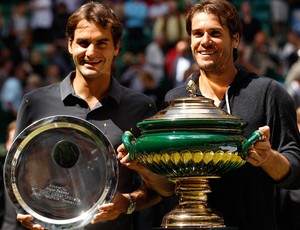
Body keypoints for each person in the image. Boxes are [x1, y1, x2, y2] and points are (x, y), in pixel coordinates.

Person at [13, 2, 174, 230]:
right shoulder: (35, 103)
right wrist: (22, 216)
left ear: (116, 47)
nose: (91, 52)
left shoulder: (141, 108)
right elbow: (17, 179)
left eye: (101, 43)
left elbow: (164, 189)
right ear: (70, 45)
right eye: (83, 43)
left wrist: (127, 201)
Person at [157, 0, 300, 229]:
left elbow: (296, 170)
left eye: (215, 33)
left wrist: (268, 158)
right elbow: (166, 184)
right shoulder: (173, 99)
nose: (205, 41)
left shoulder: (268, 92)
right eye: (197, 33)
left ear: (235, 39)